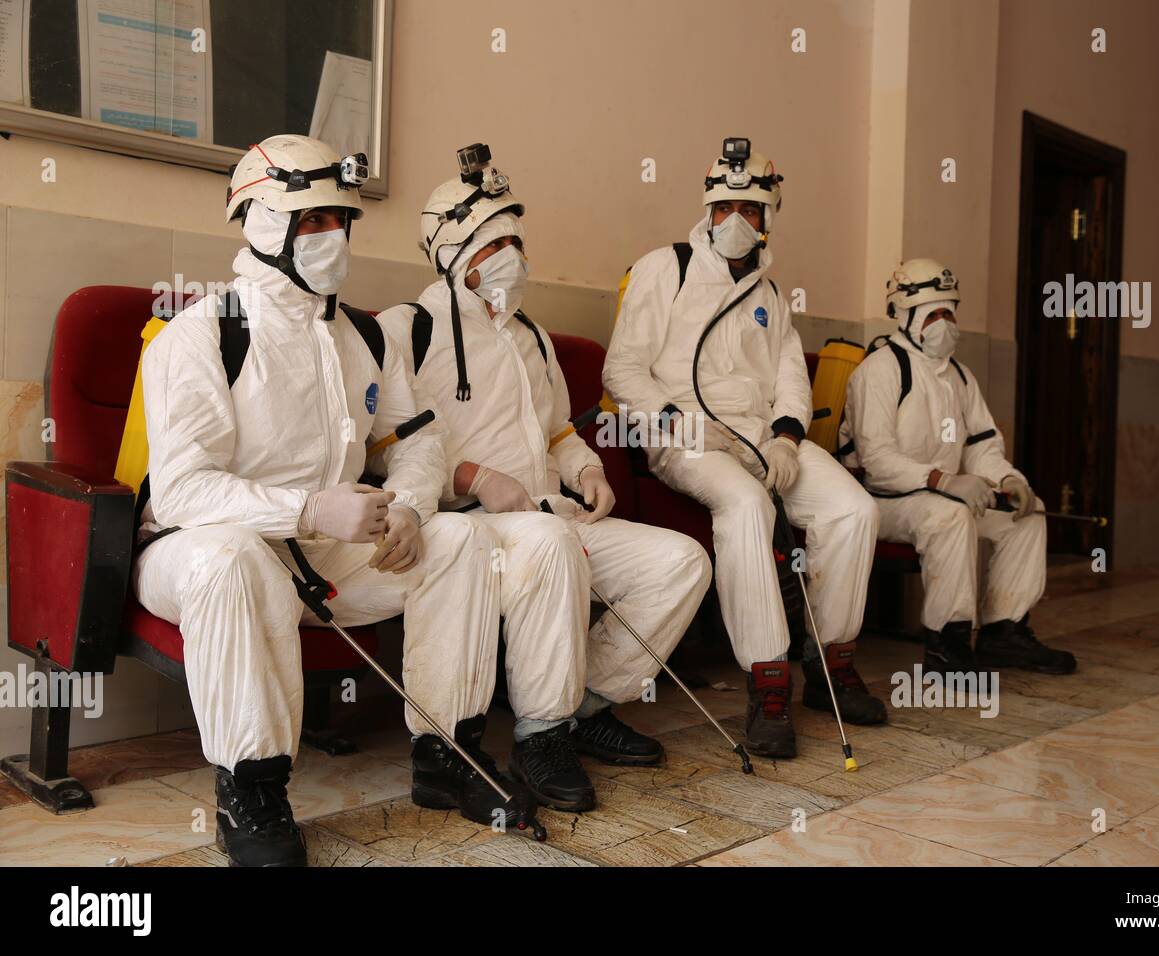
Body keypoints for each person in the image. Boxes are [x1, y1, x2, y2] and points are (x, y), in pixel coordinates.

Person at [133, 134, 529, 867]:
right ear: (261, 222)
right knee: (231, 557)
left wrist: (409, 505)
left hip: (319, 553)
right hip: (196, 550)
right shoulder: (201, 336)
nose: (332, 238)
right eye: (312, 221)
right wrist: (310, 509)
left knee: (465, 539)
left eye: (340, 222)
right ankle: (251, 787)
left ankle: (448, 755)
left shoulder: (364, 338)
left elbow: (417, 442)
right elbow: (185, 490)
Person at [375, 145, 711, 812]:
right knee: (550, 546)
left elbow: (558, 429)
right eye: (492, 241)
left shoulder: (532, 336)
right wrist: (472, 476)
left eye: (515, 240)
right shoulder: (404, 329)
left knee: (681, 563)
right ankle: (540, 736)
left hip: (548, 511)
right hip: (469, 527)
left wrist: (588, 468)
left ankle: (583, 705)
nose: (511, 256)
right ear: (449, 252)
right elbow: (382, 450)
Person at [603, 138, 883, 760]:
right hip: (687, 437)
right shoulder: (663, 268)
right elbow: (622, 371)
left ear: (767, 218)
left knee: (854, 509)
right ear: (707, 208)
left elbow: (790, 378)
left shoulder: (772, 294)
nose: (736, 221)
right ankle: (768, 682)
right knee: (746, 505)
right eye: (725, 207)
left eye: (751, 210)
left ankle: (830, 662)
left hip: (761, 438)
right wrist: (676, 420)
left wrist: (787, 438)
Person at [839, 258, 1076, 677]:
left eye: (949, 311)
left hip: (946, 494)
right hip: (886, 501)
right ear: (905, 315)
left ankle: (1005, 631)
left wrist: (1007, 479)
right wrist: (944, 481)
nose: (943, 323)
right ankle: (947, 644)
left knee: (1028, 513)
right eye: (932, 313)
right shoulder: (880, 370)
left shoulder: (962, 377)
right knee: (950, 517)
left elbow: (982, 445)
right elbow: (877, 462)